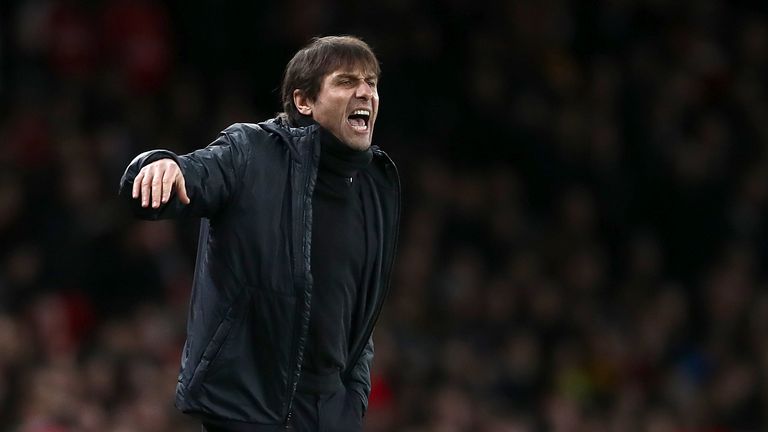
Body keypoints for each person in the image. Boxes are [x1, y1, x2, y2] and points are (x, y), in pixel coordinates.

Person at [119, 35, 400, 432]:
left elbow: (359, 314)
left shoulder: (374, 188)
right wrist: (159, 164)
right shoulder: (252, 152)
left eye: (371, 82)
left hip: (329, 416)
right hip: (247, 409)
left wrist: (351, 402)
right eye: (346, 81)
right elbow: (194, 173)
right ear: (304, 101)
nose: (365, 92)